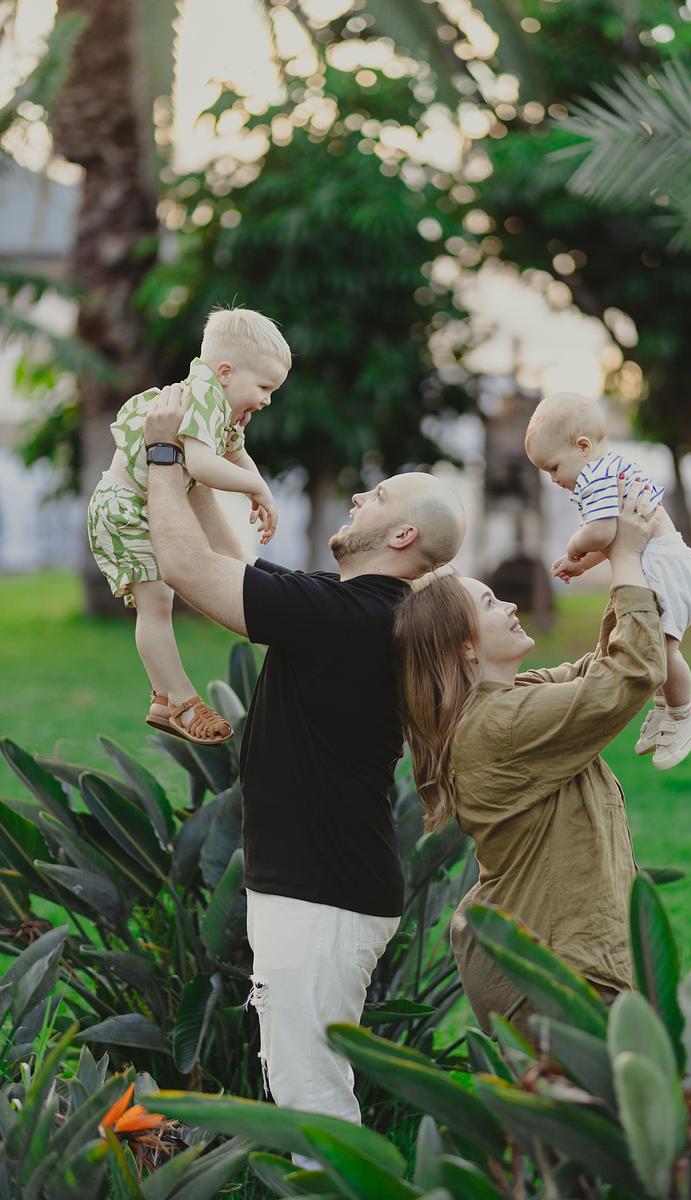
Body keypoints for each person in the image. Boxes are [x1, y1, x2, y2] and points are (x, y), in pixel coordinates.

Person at [140, 384, 466, 1144]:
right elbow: (234, 563)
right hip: (326, 887)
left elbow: (190, 570)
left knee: (309, 1090)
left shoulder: (350, 620)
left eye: (377, 495)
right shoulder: (355, 610)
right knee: (304, 1081)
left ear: (404, 533)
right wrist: (208, 467)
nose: (358, 494)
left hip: (324, 896)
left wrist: (161, 456)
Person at [393, 490, 666, 1036]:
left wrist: (620, 559)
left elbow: (598, 670)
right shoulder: (502, 725)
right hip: (556, 974)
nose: (511, 605)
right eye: (491, 604)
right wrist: (629, 563)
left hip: (552, 964)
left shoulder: (509, 699)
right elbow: (629, 676)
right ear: (466, 649)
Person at [87, 307, 290, 744]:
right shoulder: (203, 398)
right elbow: (200, 463)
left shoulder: (222, 408)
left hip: (144, 504)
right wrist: (258, 487)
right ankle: (177, 700)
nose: (268, 399)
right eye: (264, 386)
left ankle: (166, 698)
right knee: (156, 605)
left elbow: (233, 454)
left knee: (163, 600)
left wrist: (255, 487)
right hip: (124, 507)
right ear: (225, 371)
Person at [525, 391, 691, 770]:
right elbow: (615, 538)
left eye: (554, 467)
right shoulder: (607, 468)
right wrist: (580, 565)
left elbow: (604, 531)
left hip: (666, 566)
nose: (553, 479)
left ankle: (683, 714)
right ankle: (664, 707)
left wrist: (574, 545)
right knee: (650, 643)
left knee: (660, 646)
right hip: (665, 561)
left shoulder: (595, 476)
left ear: (582, 446)